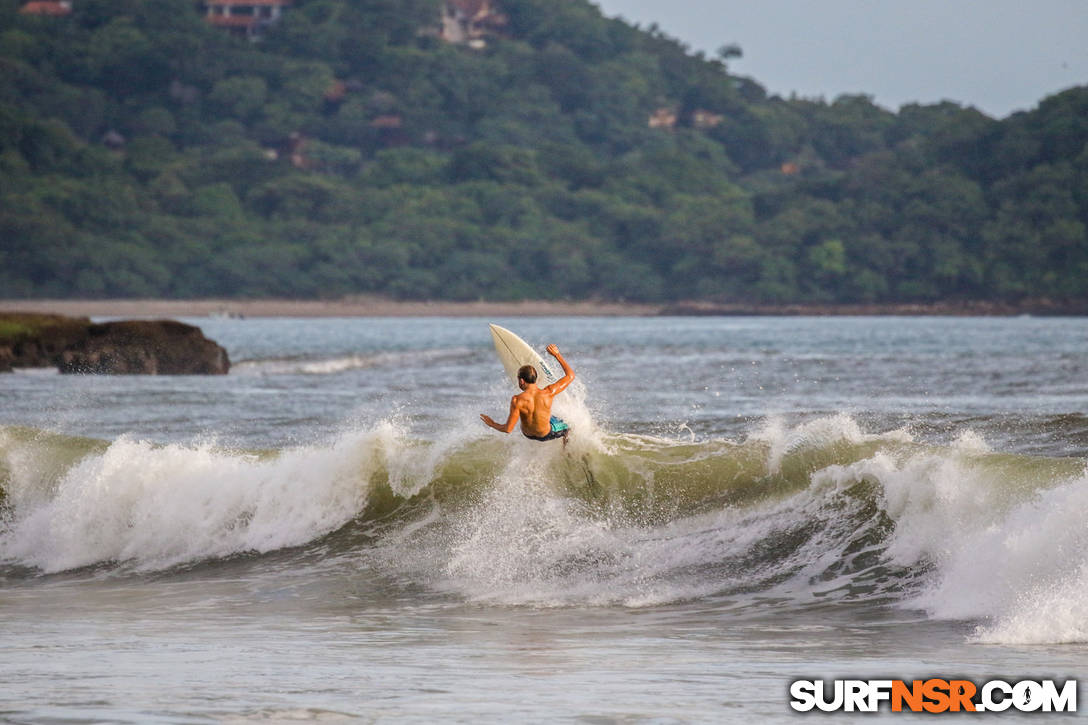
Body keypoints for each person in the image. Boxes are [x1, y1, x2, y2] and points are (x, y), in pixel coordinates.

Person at [481, 344, 575, 442]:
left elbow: (508, 429)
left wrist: (492, 423)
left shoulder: (516, 400)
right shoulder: (549, 392)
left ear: (521, 381)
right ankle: (566, 453)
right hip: (546, 434)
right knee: (568, 427)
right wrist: (557, 355)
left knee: (546, 416)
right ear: (535, 379)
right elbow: (570, 375)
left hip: (528, 434)